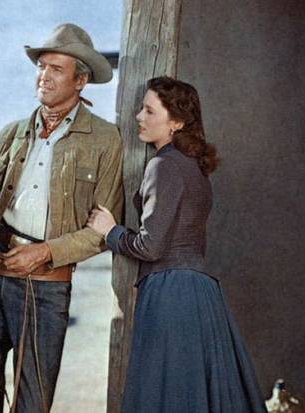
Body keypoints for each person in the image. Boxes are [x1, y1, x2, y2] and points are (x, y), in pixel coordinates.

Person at [0, 23, 123, 412]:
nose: (43, 76)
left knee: (33, 403)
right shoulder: (9, 134)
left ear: (81, 80)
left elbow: (103, 230)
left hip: (47, 287)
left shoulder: (105, 140)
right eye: (41, 66)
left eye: (56, 69)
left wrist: (47, 251)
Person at [86, 76, 267, 412]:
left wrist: (110, 231)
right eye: (141, 108)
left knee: (168, 395)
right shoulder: (194, 169)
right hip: (199, 293)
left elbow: (151, 247)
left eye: (149, 110)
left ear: (177, 123)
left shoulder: (163, 166)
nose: (139, 117)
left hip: (171, 293)